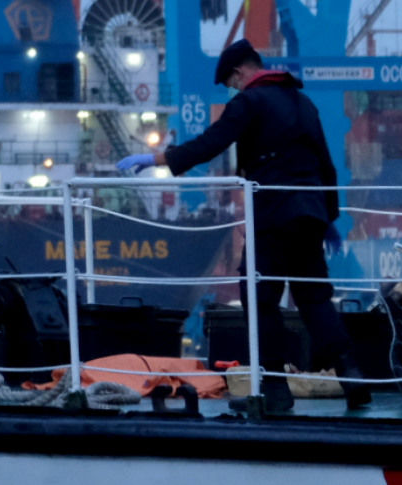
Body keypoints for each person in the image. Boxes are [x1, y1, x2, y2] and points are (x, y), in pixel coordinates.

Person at [119, 39, 369, 412]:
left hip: (272, 214)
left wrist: (156, 158)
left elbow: (210, 144)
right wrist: (327, 217)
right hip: (309, 216)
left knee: (260, 298)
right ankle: (353, 378)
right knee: (315, 299)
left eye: (232, 84)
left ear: (239, 73)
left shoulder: (249, 101)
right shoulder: (304, 103)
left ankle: (275, 390)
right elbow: (326, 164)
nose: (234, 90)